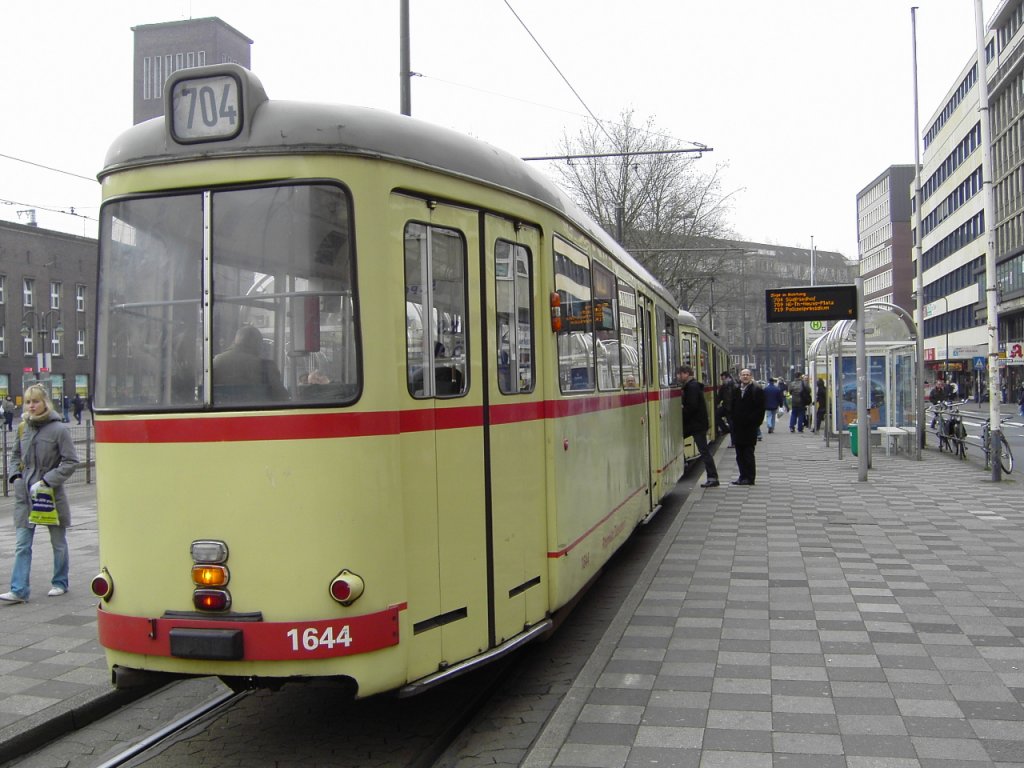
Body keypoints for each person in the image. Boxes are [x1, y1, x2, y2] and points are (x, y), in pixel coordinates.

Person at [0, 385, 80, 604]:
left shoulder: (59, 430)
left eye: (35, 401)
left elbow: (71, 461)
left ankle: (60, 582)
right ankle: (18, 589)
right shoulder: (23, 427)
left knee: (58, 542)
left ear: (45, 402)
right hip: (25, 495)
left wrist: (47, 480)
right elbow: (15, 454)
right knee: (22, 544)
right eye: (28, 402)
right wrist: (16, 476)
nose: (31, 406)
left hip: (50, 494)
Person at [212, 325, 290, 402]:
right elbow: (282, 397)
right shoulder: (266, 366)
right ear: (256, 343)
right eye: (260, 343)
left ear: (235, 340)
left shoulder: (215, 361)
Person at [676, 365, 719, 488]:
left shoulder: (692, 387)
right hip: (696, 424)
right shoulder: (692, 386)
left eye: (679, 374)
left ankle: (713, 477)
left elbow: (692, 406)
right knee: (702, 450)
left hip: (696, 425)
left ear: (685, 374)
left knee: (704, 451)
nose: (678, 377)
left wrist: (682, 411)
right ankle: (711, 476)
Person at [731, 369, 765, 485]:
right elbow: (732, 405)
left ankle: (750, 478)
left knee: (748, 454)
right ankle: (742, 476)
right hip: (737, 427)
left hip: (749, 428)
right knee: (739, 455)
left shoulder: (756, 390)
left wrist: (755, 423)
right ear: (739, 376)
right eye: (743, 375)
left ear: (751, 377)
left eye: (747, 375)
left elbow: (760, 409)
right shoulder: (736, 389)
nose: (745, 377)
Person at [716, 372, 736, 443]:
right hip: (726, 407)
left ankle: (733, 441)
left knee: (732, 425)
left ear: (728, 377)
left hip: (731, 409)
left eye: (723, 379)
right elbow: (720, 397)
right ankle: (725, 429)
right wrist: (717, 403)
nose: (723, 381)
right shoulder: (725, 386)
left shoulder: (734, 386)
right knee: (716, 415)